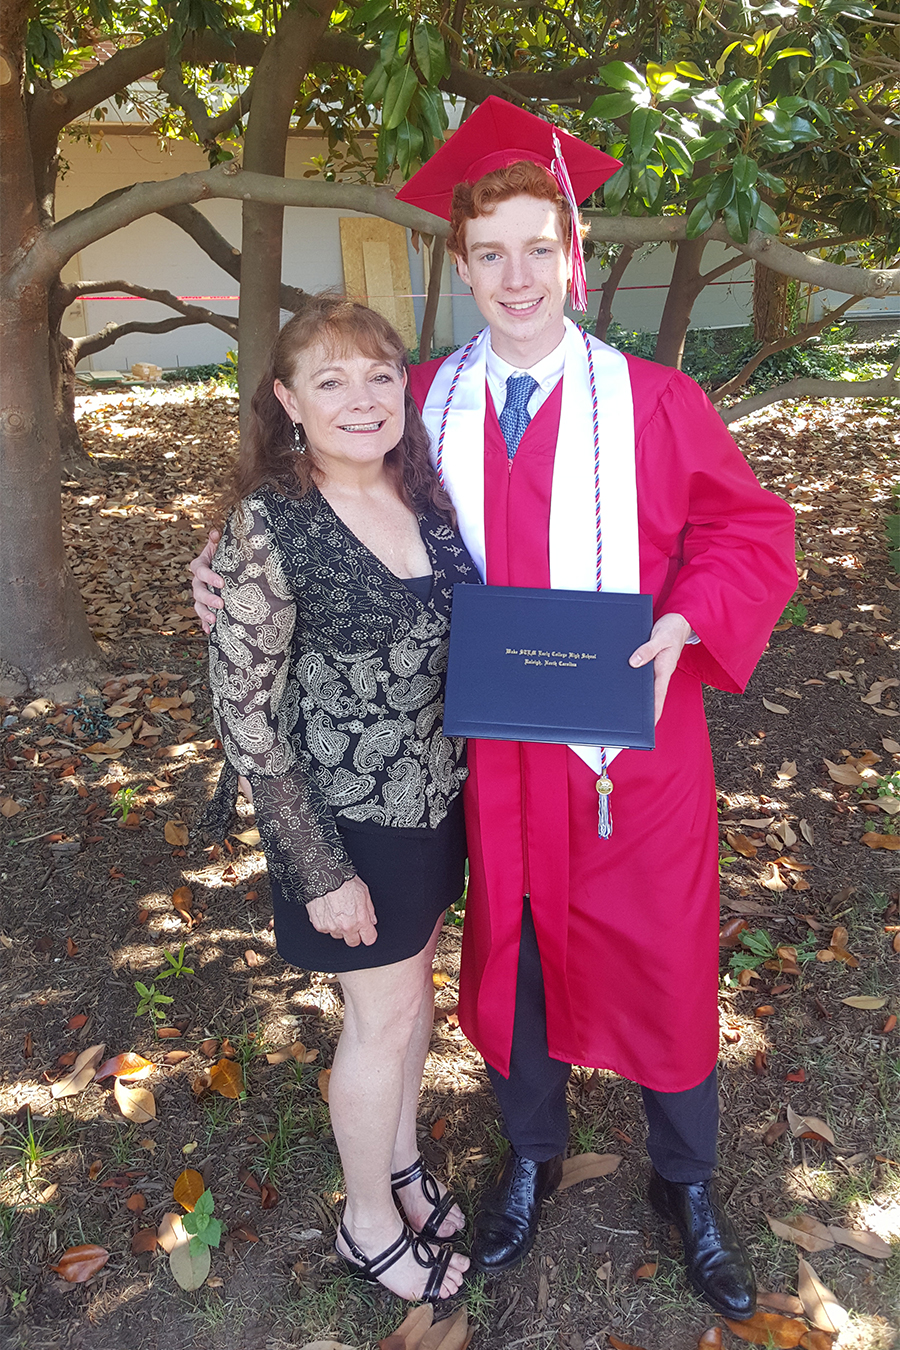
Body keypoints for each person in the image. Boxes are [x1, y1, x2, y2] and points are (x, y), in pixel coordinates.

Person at [193, 98, 797, 1321]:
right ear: (460, 265)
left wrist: (691, 617)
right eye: (489, 253)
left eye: (539, 247)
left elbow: (749, 527)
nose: (516, 275)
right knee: (515, 961)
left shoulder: (654, 403)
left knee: (667, 959)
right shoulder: (422, 396)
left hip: (631, 743)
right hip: (491, 759)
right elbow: (312, 483)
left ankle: (685, 1180)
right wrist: (218, 560)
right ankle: (529, 1155)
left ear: (574, 256)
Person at [207, 294, 477, 1302]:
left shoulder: (428, 495)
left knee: (412, 1005)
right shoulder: (271, 525)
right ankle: (369, 1224)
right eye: (330, 380)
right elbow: (245, 715)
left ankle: (399, 1165)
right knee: (379, 1018)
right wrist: (316, 868)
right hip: (346, 824)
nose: (360, 398)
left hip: (437, 802)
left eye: (377, 375)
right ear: (287, 401)